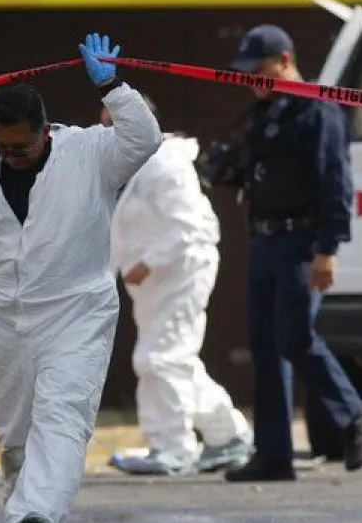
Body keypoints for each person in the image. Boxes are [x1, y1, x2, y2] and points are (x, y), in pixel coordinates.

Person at [0, 33, 162, 523]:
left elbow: (144, 138)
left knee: (63, 414)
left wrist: (112, 87)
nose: (12, 156)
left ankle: (36, 513)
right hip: (3, 323)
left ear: (45, 130)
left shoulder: (91, 153)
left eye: (21, 147)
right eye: (2, 147)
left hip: (76, 315)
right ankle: (24, 509)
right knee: (19, 438)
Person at [209, 24, 362, 483]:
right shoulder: (266, 114)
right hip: (265, 241)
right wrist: (229, 169)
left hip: (301, 243)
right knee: (267, 347)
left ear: (285, 61)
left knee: (295, 337)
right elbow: (260, 171)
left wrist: (328, 249)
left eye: (259, 70)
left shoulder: (317, 110)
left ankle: (355, 414)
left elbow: (335, 184)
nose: (251, 80)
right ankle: (274, 455)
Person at [101, 95, 253, 476]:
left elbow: (192, 228)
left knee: (158, 359)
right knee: (175, 359)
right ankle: (228, 435)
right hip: (154, 281)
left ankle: (171, 447)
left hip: (180, 272)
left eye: (111, 126)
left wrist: (146, 263)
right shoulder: (131, 168)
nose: (103, 134)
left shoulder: (164, 164)